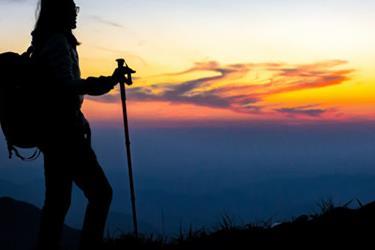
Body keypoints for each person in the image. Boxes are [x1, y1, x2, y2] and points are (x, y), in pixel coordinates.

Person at [30, 0, 121, 249]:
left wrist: (105, 82)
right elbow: (65, 86)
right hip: (65, 133)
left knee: (58, 203)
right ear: (59, 12)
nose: (75, 13)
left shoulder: (48, 41)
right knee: (101, 194)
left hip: (52, 132)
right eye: (71, 8)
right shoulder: (58, 43)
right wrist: (100, 83)